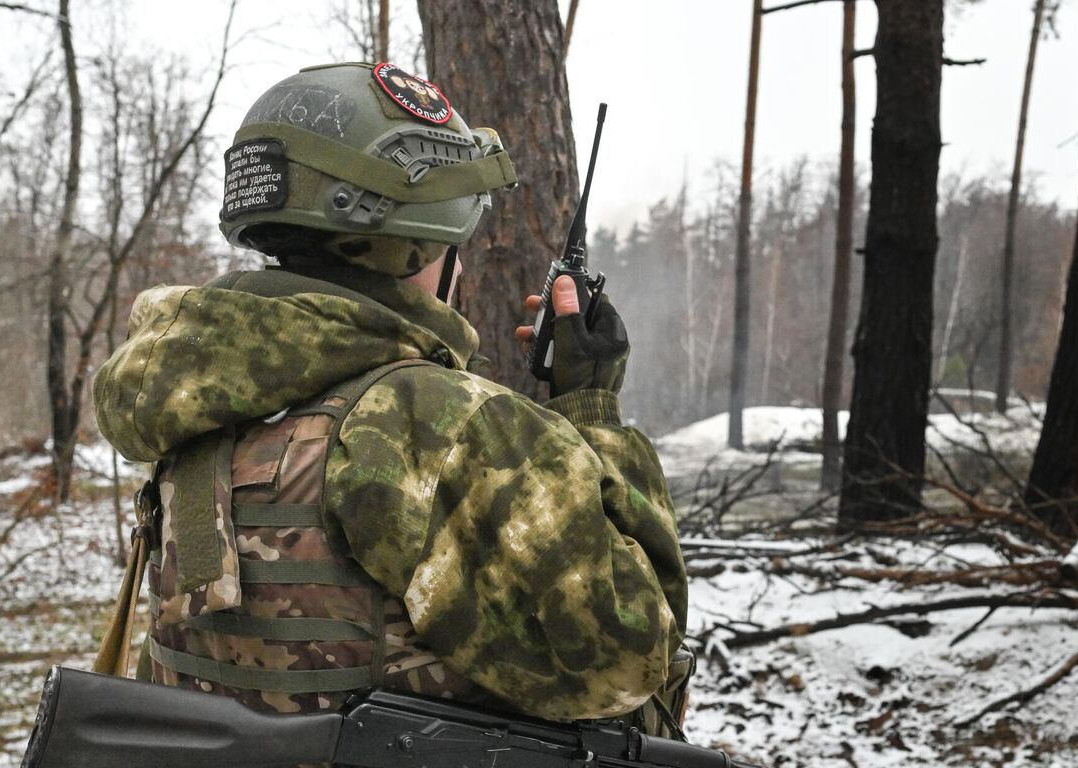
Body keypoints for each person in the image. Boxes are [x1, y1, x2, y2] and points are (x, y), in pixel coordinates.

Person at [90, 62, 691, 738]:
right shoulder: (444, 423)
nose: (458, 264)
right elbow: (633, 660)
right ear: (411, 245)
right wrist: (591, 411)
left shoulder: (198, 408)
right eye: (452, 242)